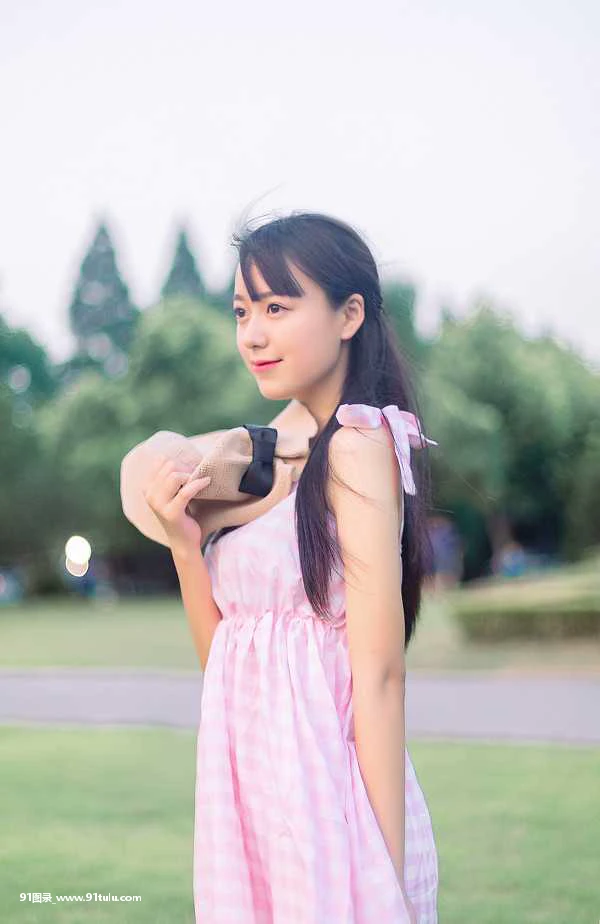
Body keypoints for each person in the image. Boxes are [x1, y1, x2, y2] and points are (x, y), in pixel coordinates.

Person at [143, 212, 439, 922]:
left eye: (277, 308)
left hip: (326, 803)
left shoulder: (358, 445)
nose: (252, 334)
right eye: (242, 312)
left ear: (349, 315)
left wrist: (385, 873)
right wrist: (185, 548)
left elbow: (380, 676)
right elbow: (228, 663)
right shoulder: (283, 462)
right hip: (249, 793)